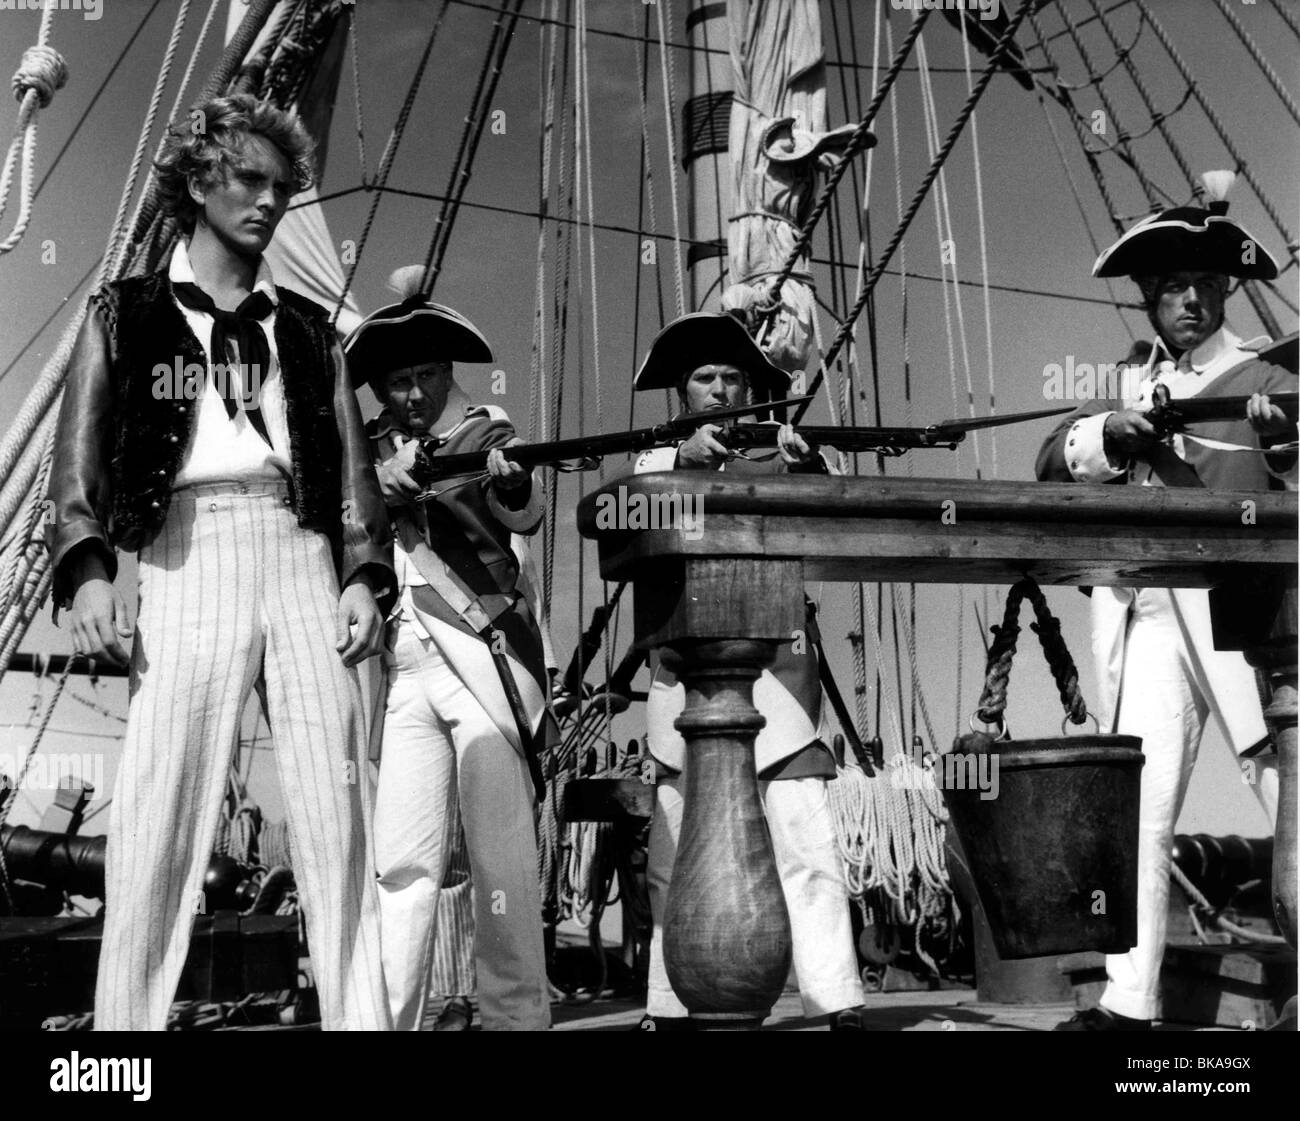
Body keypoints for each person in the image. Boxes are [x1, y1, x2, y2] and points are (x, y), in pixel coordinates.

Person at [45, 94, 393, 1030]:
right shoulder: (125, 313)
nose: (269, 201)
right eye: (249, 179)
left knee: (335, 819)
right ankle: (123, 1049)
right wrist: (85, 569)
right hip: (183, 552)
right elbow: (75, 451)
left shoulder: (312, 331)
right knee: (157, 818)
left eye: (282, 187)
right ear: (199, 181)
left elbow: (355, 468)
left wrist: (362, 571)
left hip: (300, 553)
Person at [1037, 178, 1293, 1031]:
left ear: (1225, 292)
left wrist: (1284, 439)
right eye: (1175, 285)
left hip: (1241, 613)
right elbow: (1050, 460)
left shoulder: (1270, 372)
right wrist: (1109, 435)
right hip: (1151, 613)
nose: (1192, 299)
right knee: (1139, 811)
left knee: (1279, 785)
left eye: (1207, 285)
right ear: (1148, 296)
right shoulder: (1122, 382)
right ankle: (1128, 999)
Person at [630, 312, 868, 1031]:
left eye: (733, 377)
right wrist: (689, 459)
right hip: (686, 674)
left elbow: (842, 513)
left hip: (779, 669)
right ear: (682, 390)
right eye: (705, 378)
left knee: (806, 839)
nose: (720, 388)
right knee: (676, 847)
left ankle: (838, 998)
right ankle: (669, 1003)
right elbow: (629, 513)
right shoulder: (655, 462)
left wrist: (810, 463)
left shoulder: (786, 452)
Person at [345, 268, 553, 1031]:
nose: (412, 393)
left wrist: (514, 475)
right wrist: (374, 483)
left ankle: (516, 1019)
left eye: (427, 374)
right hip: (403, 666)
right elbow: (337, 519)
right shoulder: (362, 453)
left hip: (480, 656)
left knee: (502, 859)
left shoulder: (487, 431)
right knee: (402, 861)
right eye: (396, 380)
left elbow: (522, 508)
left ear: (448, 373)